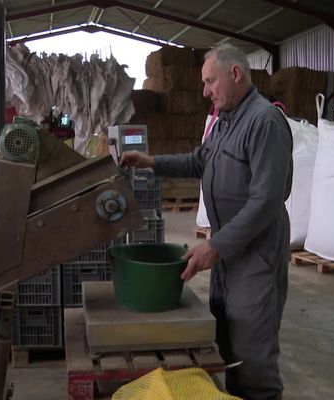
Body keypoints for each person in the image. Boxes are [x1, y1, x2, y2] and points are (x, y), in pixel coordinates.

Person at [121, 43, 292, 400]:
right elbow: (199, 161)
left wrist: (215, 246)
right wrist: (150, 161)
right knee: (226, 342)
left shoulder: (264, 122)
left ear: (235, 74)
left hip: (255, 254)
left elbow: (266, 202)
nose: (204, 91)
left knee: (253, 356)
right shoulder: (226, 121)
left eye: (210, 81)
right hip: (230, 251)